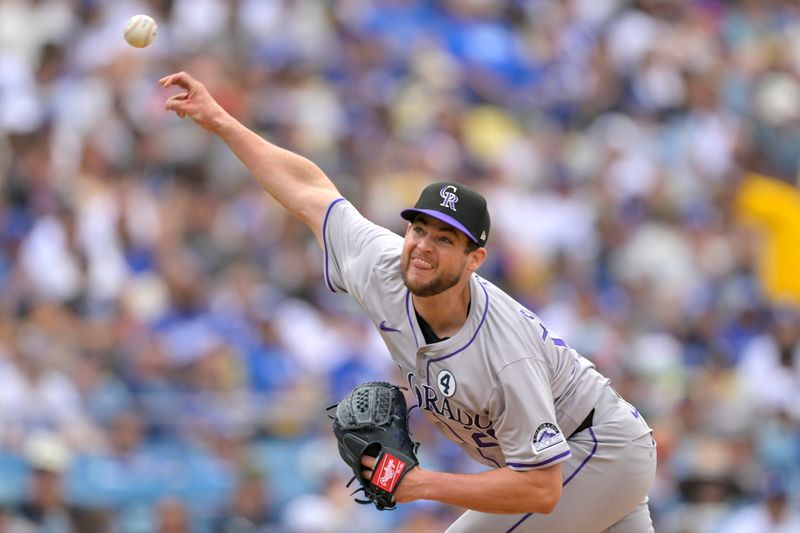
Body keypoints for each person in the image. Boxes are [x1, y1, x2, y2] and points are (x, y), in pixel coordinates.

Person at [159, 71, 657, 533]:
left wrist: (419, 484)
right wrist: (222, 122)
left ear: (474, 258)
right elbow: (310, 192)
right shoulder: (383, 267)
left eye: (445, 239)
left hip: (594, 452)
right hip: (593, 458)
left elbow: (541, 488)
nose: (422, 245)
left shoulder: (505, 350)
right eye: (419, 228)